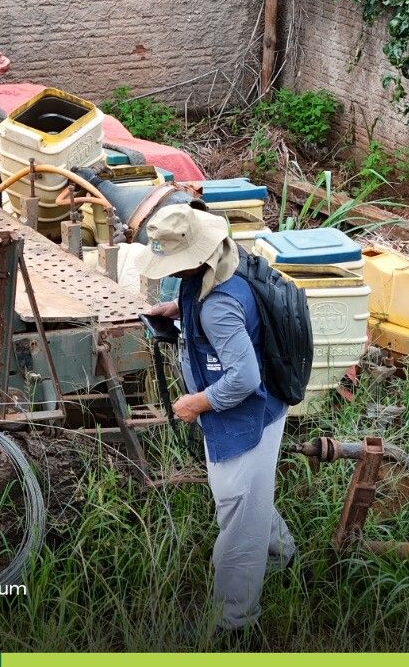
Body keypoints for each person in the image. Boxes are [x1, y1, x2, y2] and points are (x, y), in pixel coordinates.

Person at [138, 204, 296, 640]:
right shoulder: (225, 260)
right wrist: (176, 309)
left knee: (237, 518)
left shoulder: (218, 308)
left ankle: (234, 624)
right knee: (249, 496)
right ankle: (282, 554)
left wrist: (196, 404)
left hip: (243, 415)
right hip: (262, 410)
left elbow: (244, 378)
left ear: (193, 256)